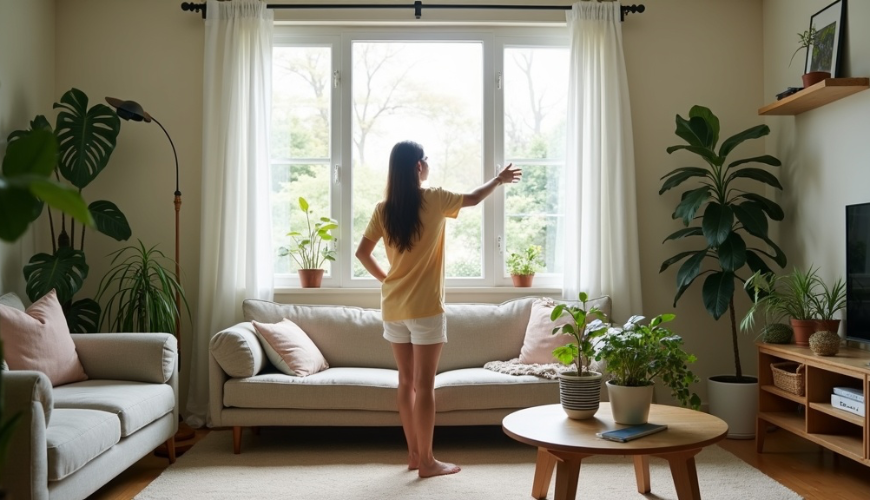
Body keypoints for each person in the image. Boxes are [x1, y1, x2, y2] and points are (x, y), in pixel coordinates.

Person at [355, 140, 522, 478]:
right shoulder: (434, 198)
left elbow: (362, 253)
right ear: (418, 167)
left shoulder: (383, 209)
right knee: (425, 386)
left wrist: (387, 278)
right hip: (426, 309)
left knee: (405, 382)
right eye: (426, 159)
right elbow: (473, 199)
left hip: (394, 306)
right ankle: (428, 462)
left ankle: (415, 456)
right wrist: (499, 180)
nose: (428, 164)